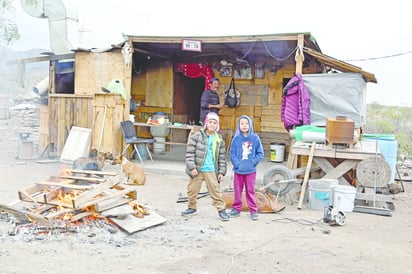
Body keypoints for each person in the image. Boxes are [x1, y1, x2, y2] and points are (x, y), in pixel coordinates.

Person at [182, 112, 230, 221]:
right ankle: (191, 207)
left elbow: (222, 158)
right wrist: (192, 167)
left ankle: (221, 210)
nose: (212, 124)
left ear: (217, 125)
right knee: (192, 189)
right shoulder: (196, 136)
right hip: (197, 169)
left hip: (211, 170)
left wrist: (221, 172)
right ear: (206, 123)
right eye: (210, 122)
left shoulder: (219, 140)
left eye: (214, 123)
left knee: (215, 191)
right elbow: (189, 153)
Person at [228, 115, 264, 221]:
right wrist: (237, 164)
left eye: (246, 123)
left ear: (250, 125)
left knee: (250, 190)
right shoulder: (236, 139)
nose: (244, 126)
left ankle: (253, 210)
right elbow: (232, 153)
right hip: (238, 171)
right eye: (242, 123)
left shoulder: (255, 138)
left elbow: (260, 153)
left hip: (250, 171)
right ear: (239, 125)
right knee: (237, 190)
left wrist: (253, 162)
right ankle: (236, 208)